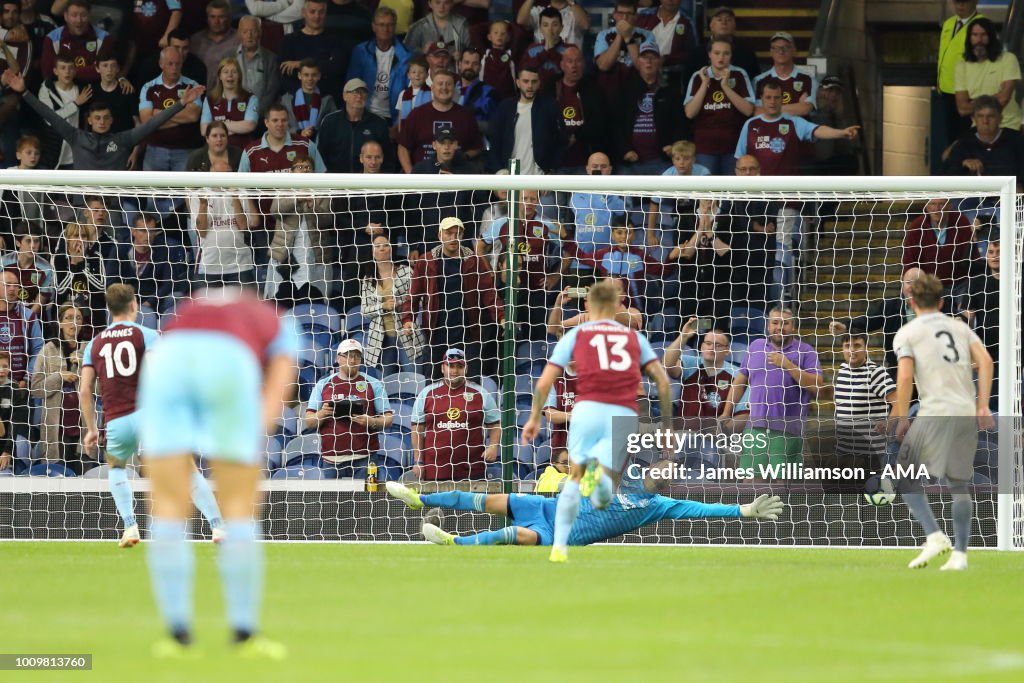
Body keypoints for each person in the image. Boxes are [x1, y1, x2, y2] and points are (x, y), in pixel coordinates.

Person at [137, 287, 297, 657]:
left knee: (167, 507)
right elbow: (284, 365)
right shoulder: (275, 318)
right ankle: (244, 633)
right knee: (239, 506)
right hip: (228, 360)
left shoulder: (188, 307)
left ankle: (177, 635)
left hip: (167, 360)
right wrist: (260, 423)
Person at [521, 277, 674, 563]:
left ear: (589, 304)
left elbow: (544, 383)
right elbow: (663, 383)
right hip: (623, 415)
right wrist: (667, 426)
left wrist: (533, 418)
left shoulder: (578, 335)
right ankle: (602, 485)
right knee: (606, 488)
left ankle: (559, 546)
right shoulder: (633, 337)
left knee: (576, 478)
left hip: (588, 410)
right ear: (617, 304)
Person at [79, 284, 223, 547]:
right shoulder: (147, 335)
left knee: (117, 469)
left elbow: (85, 390)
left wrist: (91, 428)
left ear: (109, 309)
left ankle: (130, 526)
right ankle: (217, 527)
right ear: (134, 305)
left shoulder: (94, 344)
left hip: (116, 420)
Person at [892, 273, 993, 571]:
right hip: (963, 411)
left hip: (935, 411)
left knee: (904, 474)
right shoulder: (959, 328)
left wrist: (900, 416)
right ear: (942, 301)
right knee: (958, 484)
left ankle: (934, 536)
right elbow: (986, 361)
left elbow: (905, 376)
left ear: (911, 301)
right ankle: (960, 555)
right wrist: (983, 405)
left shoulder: (908, 333)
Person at [385, 478, 783, 546]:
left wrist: (743, 510)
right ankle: (421, 499)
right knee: (490, 500)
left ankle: (455, 542)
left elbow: (701, 511)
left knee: (518, 537)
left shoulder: (660, 506)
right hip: (546, 507)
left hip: (557, 535)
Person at [2, 68, 204, 170]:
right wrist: (24, 92)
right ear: (89, 120)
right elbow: (49, 115)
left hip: (112, 206)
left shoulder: (123, 140)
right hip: (83, 206)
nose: (101, 121)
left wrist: (180, 104)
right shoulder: (76, 136)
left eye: (105, 118)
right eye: (97, 117)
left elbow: (153, 123)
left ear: (111, 121)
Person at [720, 307, 826, 472]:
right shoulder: (755, 346)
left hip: (788, 429)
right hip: (755, 427)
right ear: (768, 326)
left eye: (785, 323)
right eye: (775, 322)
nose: (779, 327)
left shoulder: (806, 351)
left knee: (783, 483)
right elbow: (740, 382)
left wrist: (788, 365)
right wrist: (726, 412)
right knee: (751, 480)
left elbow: (817, 386)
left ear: (794, 327)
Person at [401, 216, 503, 380]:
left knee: (471, 380)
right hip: (437, 332)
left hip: (468, 332)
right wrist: (408, 318)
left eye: (457, 233)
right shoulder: (426, 261)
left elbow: (489, 293)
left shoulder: (474, 261)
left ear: (462, 236)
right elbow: (413, 294)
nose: (453, 237)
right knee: (433, 381)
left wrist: (501, 316)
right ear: (440, 235)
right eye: (449, 233)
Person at [401, 347, 500, 482]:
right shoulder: (427, 393)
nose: (454, 370)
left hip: (472, 471)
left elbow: (495, 424)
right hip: (435, 470)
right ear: (443, 368)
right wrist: (418, 462)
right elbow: (417, 429)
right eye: (450, 366)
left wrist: (493, 446)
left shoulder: (481, 393)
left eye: (459, 366)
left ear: (465, 369)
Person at [304, 338, 397, 479]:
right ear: (338, 358)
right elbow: (309, 421)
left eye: (356, 356)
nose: (352, 360)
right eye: (347, 355)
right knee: (331, 501)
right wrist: (322, 413)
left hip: (365, 458)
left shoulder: (374, 384)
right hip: (331, 460)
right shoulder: (324, 384)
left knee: (366, 501)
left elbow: (388, 419)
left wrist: (371, 421)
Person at [735, 78, 859, 176]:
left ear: (782, 99)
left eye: (776, 97)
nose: (772, 101)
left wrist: (842, 132)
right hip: (757, 194)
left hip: (787, 196)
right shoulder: (750, 124)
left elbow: (819, 130)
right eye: (768, 97)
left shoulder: (793, 122)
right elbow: (740, 159)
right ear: (761, 99)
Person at [829, 267, 927, 371]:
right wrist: (845, 326)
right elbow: (869, 321)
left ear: (926, 286)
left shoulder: (935, 307)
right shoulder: (889, 306)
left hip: (927, 367)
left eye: (917, 283)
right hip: (898, 367)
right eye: (908, 282)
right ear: (902, 284)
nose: (912, 287)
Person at [106, 214, 191, 329]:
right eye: (143, 231)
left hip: (154, 299)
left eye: (151, 232)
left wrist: (150, 301)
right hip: (127, 300)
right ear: (133, 232)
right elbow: (111, 282)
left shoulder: (163, 249)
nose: (148, 235)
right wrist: (128, 301)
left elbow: (168, 284)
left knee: (177, 297)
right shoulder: (119, 249)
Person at [663, 318, 749, 432]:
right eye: (708, 343)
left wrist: (720, 433)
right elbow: (667, 365)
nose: (711, 347)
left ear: (727, 351)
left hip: (715, 441)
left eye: (718, 345)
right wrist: (683, 336)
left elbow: (743, 415)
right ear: (701, 347)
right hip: (683, 434)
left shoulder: (738, 375)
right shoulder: (690, 363)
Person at [683, 38, 754, 175]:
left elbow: (748, 110)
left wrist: (725, 86)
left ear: (731, 55)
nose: (721, 57)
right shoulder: (698, 77)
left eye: (726, 53)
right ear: (709, 54)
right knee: (707, 193)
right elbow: (690, 113)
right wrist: (704, 84)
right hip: (705, 147)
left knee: (732, 193)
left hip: (733, 146)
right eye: (717, 53)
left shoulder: (739, 74)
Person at [30, 304, 86, 473]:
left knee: (84, 481)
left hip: (82, 427)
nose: (73, 322)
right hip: (55, 430)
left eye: (78, 318)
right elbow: (36, 389)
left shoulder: (89, 348)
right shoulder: (47, 350)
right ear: (60, 323)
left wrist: (83, 365)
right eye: (69, 318)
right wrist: (58, 376)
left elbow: (100, 389)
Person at [613, 41, 682, 174]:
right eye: (645, 57)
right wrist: (624, 150)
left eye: (653, 57)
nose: (649, 61)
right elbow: (615, 124)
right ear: (638, 61)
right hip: (630, 162)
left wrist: (674, 145)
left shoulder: (669, 91)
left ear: (659, 61)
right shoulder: (625, 89)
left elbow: (680, 122)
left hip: (661, 160)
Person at [396, 69, 482, 173]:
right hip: (423, 176)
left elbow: (477, 147)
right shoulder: (417, 114)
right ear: (432, 88)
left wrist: (461, 159)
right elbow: (403, 147)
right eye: (440, 84)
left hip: (456, 178)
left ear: (454, 88)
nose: (444, 87)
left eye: (448, 84)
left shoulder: (466, 116)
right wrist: (412, 175)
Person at [832, 332, 895, 472]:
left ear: (866, 348)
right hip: (843, 454)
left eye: (857, 345)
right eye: (847, 346)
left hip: (871, 457)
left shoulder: (876, 373)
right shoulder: (842, 371)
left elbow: (899, 402)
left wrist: (888, 423)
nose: (852, 350)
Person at [360, 233, 419, 375]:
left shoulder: (406, 272)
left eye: (386, 245)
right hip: (382, 340)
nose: (382, 249)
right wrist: (383, 306)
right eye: (378, 246)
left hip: (407, 334)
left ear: (391, 249)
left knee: (413, 378)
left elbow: (417, 300)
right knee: (386, 383)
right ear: (372, 251)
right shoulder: (368, 279)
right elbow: (364, 310)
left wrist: (400, 304)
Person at [488, 65, 564, 175]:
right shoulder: (505, 107)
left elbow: (561, 141)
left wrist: (551, 170)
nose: (530, 86)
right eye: (526, 81)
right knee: (515, 193)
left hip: (541, 173)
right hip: (512, 171)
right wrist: (499, 170)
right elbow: (495, 141)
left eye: (534, 81)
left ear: (539, 83)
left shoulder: (550, 107)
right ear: (518, 83)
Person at [138, 46, 203, 173]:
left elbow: (192, 116)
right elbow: (147, 122)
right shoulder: (148, 88)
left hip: (184, 151)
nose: (174, 68)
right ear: (161, 64)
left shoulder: (192, 86)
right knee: (153, 192)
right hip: (155, 150)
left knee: (184, 192)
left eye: (178, 64)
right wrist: (179, 115)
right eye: (170, 64)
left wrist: (158, 115)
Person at [192, 162, 256, 290]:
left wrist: (234, 196)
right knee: (208, 310)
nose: (224, 178)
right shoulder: (198, 195)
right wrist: (203, 204)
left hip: (240, 265)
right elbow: (201, 232)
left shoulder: (240, 192)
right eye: (219, 175)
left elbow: (243, 226)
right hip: (209, 266)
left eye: (228, 174)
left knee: (244, 309)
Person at [954, 17, 1020, 133]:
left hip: (1009, 127)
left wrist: (975, 104)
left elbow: (1004, 98)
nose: (979, 40)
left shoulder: (1008, 59)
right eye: (974, 35)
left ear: (991, 37)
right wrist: (995, 98)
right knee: (951, 151)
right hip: (978, 129)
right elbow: (963, 109)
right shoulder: (961, 66)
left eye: (984, 35)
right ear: (969, 39)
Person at [346, 6, 410, 124]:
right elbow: (352, 85)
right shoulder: (361, 51)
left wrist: (400, 123)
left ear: (395, 27)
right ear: (373, 27)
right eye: (381, 24)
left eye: (390, 25)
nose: (385, 29)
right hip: (365, 114)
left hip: (394, 117)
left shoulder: (406, 55)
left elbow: (409, 93)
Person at [944, 96, 1024, 188]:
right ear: (974, 119)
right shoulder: (964, 142)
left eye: (991, 116)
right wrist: (963, 164)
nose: (985, 121)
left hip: (1011, 196)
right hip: (972, 198)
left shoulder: (1017, 140)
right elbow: (947, 174)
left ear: (1000, 118)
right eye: (980, 116)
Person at [316, 78, 393, 173]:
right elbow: (319, 155)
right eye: (355, 92)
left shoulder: (379, 123)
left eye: (363, 92)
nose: (359, 96)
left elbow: (388, 157)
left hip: (368, 181)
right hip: (335, 181)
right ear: (345, 95)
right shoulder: (330, 121)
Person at [278, 0, 349, 95]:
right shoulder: (289, 41)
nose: (317, 16)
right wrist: (322, 66)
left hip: (327, 98)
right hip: (295, 98)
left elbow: (337, 68)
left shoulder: (335, 40)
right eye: (312, 12)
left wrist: (301, 64)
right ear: (303, 13)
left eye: (321, 12)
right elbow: (285, 74)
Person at [901, 197, 973, 289]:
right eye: (933, 204)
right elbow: (909, 262)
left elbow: (971, 258)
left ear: (949, 206)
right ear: (927, 207)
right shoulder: (917, 226)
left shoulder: (961, 222)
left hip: (958, 286)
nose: (937, 209)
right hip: (927, 287)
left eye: (941, 204)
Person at [938, 0, 982, 145]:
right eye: (957, 2)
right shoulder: (949, 24)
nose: (960, 6)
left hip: (967, 93)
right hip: (946, 89)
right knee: (950, 139)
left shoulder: (980, 25)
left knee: (965, 137)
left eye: (965, 2)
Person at [33, 52, 87, 169]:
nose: (67, 71)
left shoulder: (83, 90)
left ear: (75, 70)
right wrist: (76, 104)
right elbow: (49, 119)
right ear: (55, 71)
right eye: (63, 68)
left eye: (71, 68)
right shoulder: (46, 90)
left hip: (77, 153)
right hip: (52, 152)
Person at [239, 102, 326, 173]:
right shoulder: (251, 152)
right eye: (275, 120)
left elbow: (322, 178)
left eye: (284, 120)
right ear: (266, 122)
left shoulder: (306, 145)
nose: (280, 124)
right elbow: (240, 185)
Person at [40, 0, 108, 84]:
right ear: (66, 16)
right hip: (63, 92)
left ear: (89, 16)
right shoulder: (52, 39)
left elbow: (105, 72)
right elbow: (48, 74)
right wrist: (89, 70)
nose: (79, 20)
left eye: (83, 15)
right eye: (74, 15)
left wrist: (65, 72)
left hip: (94, 90)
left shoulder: (104, 38)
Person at [200, 57, 259, 149]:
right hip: (216, 153)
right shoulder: (209, 99)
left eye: (234, 72)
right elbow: (204, 130)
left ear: (239, 76)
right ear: (220, 76)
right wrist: (237, 127)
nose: (230, 75)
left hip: (242, 151)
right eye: (225, 72)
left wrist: (218, 125)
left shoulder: (251, 98)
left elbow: (249, 125)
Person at [51, 222, 105, 323]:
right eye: (76, 236)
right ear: (67, 240)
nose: (80, 239)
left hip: (92, 315)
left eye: (83, 236)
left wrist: (82, 265)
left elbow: (100, 287)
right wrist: (73, 265)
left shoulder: (96, 257)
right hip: (66, 313)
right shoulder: (59, 258)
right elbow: (60, 291)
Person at [752, 32, 816, 117]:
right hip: (771, 129)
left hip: (798, 129)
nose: (781, 51)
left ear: (794, 50)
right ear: (771, 52)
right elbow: (757, 112)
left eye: (785, 47)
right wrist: (796, 107)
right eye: (776, 48)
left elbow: (805, 109)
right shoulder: (759, 81)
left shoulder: (807, 78)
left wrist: (770, 109)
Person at [0, 268, 43, 391]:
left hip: (20, 386)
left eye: (16, 285)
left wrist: (26, 379)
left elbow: (38, 349)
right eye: (8, 285)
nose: (13, 288)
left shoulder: (28, 316)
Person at [235, 15, 280, 119]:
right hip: (233, 115)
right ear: (239, 34)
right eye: (245, 32)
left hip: (261, 117)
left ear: (260, 33)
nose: (249, 36)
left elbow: (271, 93)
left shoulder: (271, 59)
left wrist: (254, 115)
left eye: (253, 31)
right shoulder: (228, 56)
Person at [281, 58, 336, 140]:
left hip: (319, 145)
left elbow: (334, 124)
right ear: (299, 76)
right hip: (294, 144)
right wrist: (299, 132)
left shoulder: (327, 100)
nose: (310, 78)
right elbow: (280, 125)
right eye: (306, 75)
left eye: (313, 75)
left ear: (319, 76)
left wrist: (315, 132)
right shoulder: (287, 99)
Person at [189, 0, 239, 91]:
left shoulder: (238, 39)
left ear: (229, 18)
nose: (216, 21)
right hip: (199, 93)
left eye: (221, 17)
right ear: (207, 18)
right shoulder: (195, 41)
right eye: (212, 17)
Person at [404, 0, 470, 56]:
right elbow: (407, 53)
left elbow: (471, 52)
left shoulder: (462, 25)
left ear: (451, 4)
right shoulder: (418, 27)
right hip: (426, 69)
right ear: (430, 4)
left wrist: (462, 54)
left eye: (446, 3)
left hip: (453, 69)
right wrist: (422, 51)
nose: (441, 7)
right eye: (437, 2)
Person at [516, 0, 588, 48]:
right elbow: (521, 20)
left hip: (569, 66)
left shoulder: (575, 13)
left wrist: (572, 2)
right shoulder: (539, 11)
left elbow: (585, 25)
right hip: (542, 66)